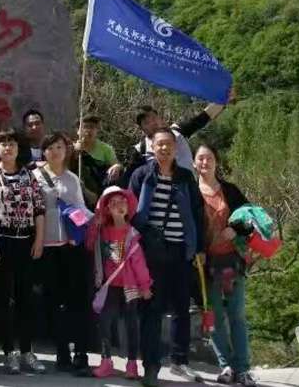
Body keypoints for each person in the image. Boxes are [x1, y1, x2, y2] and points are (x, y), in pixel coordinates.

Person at [128, 127, 205, 387]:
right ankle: (151, 365)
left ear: (175, 148)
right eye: (159, 144)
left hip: (181, 250)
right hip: (150, 253)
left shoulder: (185, 177)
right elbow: (130, 210)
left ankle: (180, 360)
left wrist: (199, 248)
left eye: (168, 144)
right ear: (152, 147)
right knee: (152, 309)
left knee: (182, 307)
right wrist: (144, 235)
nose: (164, 148)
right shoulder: (141, 175)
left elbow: (197, 212)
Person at [0, 128, 47, 374]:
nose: (8, 147)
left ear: (19, 148)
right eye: (3, 143)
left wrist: (39, 240)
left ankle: (27, 350)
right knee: (2, 299)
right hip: (0, 242)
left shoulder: (30, 175)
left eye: (12, 144)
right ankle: (9, 352)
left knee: (26, 299)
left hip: (26, 241)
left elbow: (39, 209)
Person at [194, 144, 255, 387]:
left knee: (237, 315)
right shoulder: (191, 192)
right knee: (215, 317)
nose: (205, 162)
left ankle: (243, 368)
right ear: (194, 163)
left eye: (209, 158)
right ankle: (226, 366)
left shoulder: (230, 190)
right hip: (205, 265)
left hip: (232, 261)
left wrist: (236, 229)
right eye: (200, 158)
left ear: (216, 161)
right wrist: (196, 250)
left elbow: (250, 218)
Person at [35, 131, 91, 376]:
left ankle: (81, 353)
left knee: (76, 300)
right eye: (50, 147)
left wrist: (93, 220)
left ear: (66, 150)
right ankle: (61, 352)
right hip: (47, 246)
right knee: (55, 301)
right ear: (44, 151)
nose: (55, 151)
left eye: (59, 147)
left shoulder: (72, 178)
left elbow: (80, 209)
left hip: (71, 245)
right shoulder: (35, 177)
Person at [87, 186, 152, 380]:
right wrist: (95, 225)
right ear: (107, 208)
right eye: (113, 203)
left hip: (130, 286)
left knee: (131, 324)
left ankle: (132, 364)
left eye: (122, 201)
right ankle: (106, 361)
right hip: (109, 285)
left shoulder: (132, 233)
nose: (119, 205)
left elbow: (139, 263)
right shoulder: (102, 231)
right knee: (105, 322)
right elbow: (90, 244)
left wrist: (145, 286)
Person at [109, 99, 232, 184]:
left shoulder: (178, 131)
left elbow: (203, 117)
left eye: (153, 118)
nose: (152, 123)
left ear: (160, 118)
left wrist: (223, 100)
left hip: (189, 190)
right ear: (142, 128)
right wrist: (118, 166)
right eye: (146, 122)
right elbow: (129, 174)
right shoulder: (140, 149)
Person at [74, 114, 118, 206]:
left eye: (92, 127)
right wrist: (76, 152)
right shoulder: (71, 148)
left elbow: (115, 165)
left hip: (99, 186)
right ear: (78, 131)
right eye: (85, 127)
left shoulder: (106, 149)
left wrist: (117, 167)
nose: (89, 130)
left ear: (97, 130)